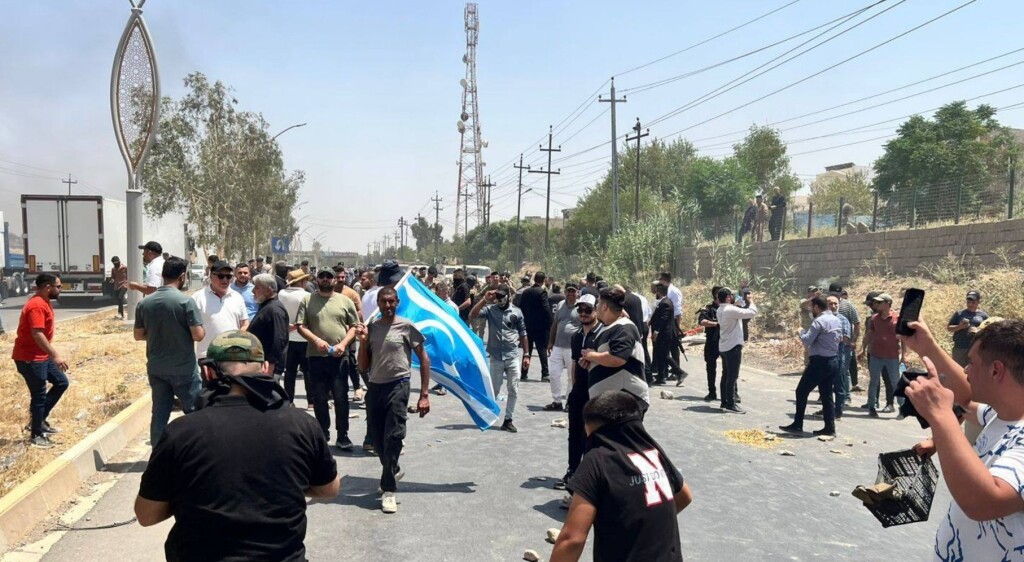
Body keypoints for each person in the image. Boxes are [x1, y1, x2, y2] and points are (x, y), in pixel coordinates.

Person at [134, 331, 339, 562]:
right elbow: (329, 489)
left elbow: (147, 515)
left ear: (208, 372)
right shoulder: (302, 424)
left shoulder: (181, 432)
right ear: (264, 369)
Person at [900, 319, 1024, 560]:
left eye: (971, 362)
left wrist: (941, 417)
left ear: (996, 370)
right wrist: (928, 347)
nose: (965, 370)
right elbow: (964, 401)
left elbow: (984, 503)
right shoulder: (1001, 415)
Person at [552, 390, 691, 562]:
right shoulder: (652, 452)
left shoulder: (597, 459)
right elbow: (685, 495)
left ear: (590, 428)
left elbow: (572, 540)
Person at [356, 287, 431, 514]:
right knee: (377, 441)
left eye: (391, 302)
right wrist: (362, 342)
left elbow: (424, 359)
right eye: (383, 302)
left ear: (397, 302)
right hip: (375, 388)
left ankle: (388, 489)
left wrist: (424, 395)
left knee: (394, 436)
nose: (387, 306)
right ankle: (393, 467)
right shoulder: (371, 328)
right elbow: (362, 366)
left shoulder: (406, 327)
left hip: (398, 386)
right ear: (378, 303)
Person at [134, 257, 206, 445]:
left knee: (159, 413)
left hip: (156, 368)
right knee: (195, 413)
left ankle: (157, 456)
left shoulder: (145, 303)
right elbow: (198, 335)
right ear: (182, 276)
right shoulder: (185, 302)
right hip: (184, 369)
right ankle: (197, 452)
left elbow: (138, 335)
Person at [296, 267, 360, 449]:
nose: (325, 279)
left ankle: (343, 436)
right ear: (316, 280)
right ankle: (323, 434)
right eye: (321, 276)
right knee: (320, 398)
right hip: (316, 357)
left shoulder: (345, 301)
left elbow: (354, 326)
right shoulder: (308, 300)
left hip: (340, 358)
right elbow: (301, 326)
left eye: (329, 276)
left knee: (341, 398)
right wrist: (316, 340)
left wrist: (343, 344)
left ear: (335, 280)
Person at [13, 273, 69, 449]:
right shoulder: (36, 305)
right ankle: (36, 434)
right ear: (47, 287)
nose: (60, 289)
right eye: (58, 287)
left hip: (40, 356)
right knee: (39, 394)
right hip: (30, 358)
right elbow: (37, 333)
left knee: (61, 382)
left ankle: (38, 420)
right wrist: (56, 355)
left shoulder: (44, 302)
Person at [556, 294, 602, 492]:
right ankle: (572, 471)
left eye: (588, 310)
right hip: (580, 391)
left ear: (597, 310)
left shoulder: (603, 334)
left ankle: (590, 477)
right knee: (574, 434)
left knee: (595, 437)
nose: (583, 313)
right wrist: (574, 389)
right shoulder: (576, 336)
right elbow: (575, 364)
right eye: (580, 309)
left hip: (598, 393)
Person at [779, 296, 842, 437]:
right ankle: (829, 428)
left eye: (811, 307)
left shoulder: (819, 321)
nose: (811, 311)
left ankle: (797, 424)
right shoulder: (836, 320)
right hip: (832, 360)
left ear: (817, 307)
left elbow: (807, 340)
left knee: (801, 391)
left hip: (819, 362)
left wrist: (800, 331)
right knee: (827, 396)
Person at [470, 285, 529, 433]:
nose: (500, 299)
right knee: (494, 390)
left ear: (508, 295)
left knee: (513, 389)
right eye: (498, 297)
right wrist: (485, 299)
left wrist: (526, 355)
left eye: (502, 296)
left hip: (513, 355)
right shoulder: (491, 310)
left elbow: (523, 333)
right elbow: (473, 314)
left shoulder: (517, 312)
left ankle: (508, 420)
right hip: (496, 357)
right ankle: (487, 415)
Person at [582, 287, 650, 412]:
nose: (596, 306)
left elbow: (618, 358)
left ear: (604, 307)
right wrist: (591, 363)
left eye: (598, 303)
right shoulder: (608, 327)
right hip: (610, 400)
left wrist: (591, 356)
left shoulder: (624, 328)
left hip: (624, 400)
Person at [193, 260, 249, 359]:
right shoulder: (198, 298)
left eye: (228, 276)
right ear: (211, 276)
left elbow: (245, 323)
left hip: (232, 355)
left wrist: (237, 337)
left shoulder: (237, 297)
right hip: (207, 356)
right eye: (221, 276)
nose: (225, 280)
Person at [717, 287, 758, 414]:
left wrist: (736, 305)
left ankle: (724, 401)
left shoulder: (721, 309)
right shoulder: (731, 309)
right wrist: (751, 301)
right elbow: (752, 312)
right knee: (732, 376)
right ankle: (731, 403)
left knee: (725, 375)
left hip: (724, 346)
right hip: (733, 346)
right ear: (728, 298)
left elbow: (733, 310)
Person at [861, 293, 902, 417]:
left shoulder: (897, 318)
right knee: (874, 381)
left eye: (880, 302)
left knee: (895, 382)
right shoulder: (874, 318)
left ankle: (902, 406)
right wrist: (862, 349)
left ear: (887, 304)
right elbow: (869, 334)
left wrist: (905, 355)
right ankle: (872, 407)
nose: (876, 305)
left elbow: (904, 338)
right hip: (876, 355)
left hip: (892, 356)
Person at [247, 273, 289, 379]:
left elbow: (279, 339)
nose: (253, 291)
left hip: (268, 368)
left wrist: (271, 365)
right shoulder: (266, 306)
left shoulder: (275, 310)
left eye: (256, 288)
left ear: (268, 291)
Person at [279, 268, 311, 403]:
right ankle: (311, 401)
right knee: (308, 372)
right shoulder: (307, 296)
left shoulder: (281, 294)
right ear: (302, 281)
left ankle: (289, 400)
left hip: (288, 338)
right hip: (304, 338)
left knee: (290, 372)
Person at [546, 284, 580, 411]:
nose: (570, 294)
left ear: (577, 293)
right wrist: (550, 341)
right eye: (568, 291)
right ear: (565, 292)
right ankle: (557, 401)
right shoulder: (560, 305)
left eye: (573, 291)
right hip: (557, 346)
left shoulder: (581, 307)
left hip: (573, 348)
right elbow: (555, 324)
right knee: (553, 374)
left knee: (572, 377)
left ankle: (570, 402)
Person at [520, 271, 553, 382]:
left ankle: (524, 373)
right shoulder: (542, 292)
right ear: (543, 280)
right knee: (541, 350)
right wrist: (550, 323)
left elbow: (521, 307)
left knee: (526, 351)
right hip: (540, 327)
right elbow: (546, 309)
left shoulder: (526, 292)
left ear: (534, 279)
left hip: (527, 325)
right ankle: (545, 374)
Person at [829, 283, 861, 396]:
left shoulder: (848, 306)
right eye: (833, 294)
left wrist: (853, 340)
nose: (836, 297)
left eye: (838, 294)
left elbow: (856, 323)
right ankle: (826, 394)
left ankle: (846, 396)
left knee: (844, 371)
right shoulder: (826, 305)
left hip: (845, 345)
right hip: (828, 345)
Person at [650, 283, 685, 386]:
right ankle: (661, 377)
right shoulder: (664, 302)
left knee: (664, 355)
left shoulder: (665, 303)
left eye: (656, 291)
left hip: (664, 334)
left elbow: (663, 319)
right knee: (661, 355)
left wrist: (656, 331)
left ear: (659, 292)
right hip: (663, 334)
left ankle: (680, 372)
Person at [947, 290, 989, 368]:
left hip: (976, 349)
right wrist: (960, 327)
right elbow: (949, 328)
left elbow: (989, 331)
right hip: (960, 348)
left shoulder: (983, 315)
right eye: (968, 302)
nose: (970, 304)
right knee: (958, 371)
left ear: (978, 302)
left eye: (973, 302)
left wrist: (978, 330)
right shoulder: (959, 314)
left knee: (974, 372)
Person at [827, 295, 852, 419]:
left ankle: (838, 411)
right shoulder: (822, 319)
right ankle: (828, 409)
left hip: (838, 357)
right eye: (830, 304)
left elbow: (845, 338)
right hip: (824, 357)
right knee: (826, 385)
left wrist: (827, 338)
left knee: (839, 386)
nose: (833, 306)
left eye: (835, 304)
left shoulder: (843, 320)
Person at [698, 286, 722, 400]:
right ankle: (712, 391)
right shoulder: (709, 308)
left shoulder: (729, 308)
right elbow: (702, 321)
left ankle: (732, 393)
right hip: (712, 341)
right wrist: (716, 324)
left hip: (725, 341)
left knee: (729, 368)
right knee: (711, 367)